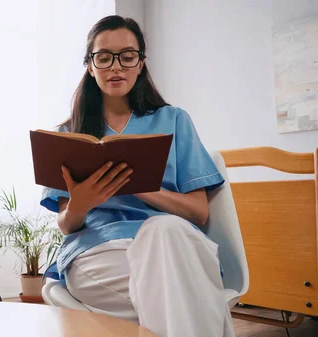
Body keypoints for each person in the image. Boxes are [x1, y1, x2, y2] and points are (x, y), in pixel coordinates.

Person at [40, 15, 235, 337]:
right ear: (90, 65)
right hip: (100, 250)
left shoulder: (174, 120)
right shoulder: (68, 135)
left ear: (140, 63)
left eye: (127, 57)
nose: (116, 67)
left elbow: (199, 212)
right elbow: (65, 224)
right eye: (104, 58)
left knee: (163, 228)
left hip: (178, 245)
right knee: (181, 290)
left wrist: (142, 187)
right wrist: (80, 204)